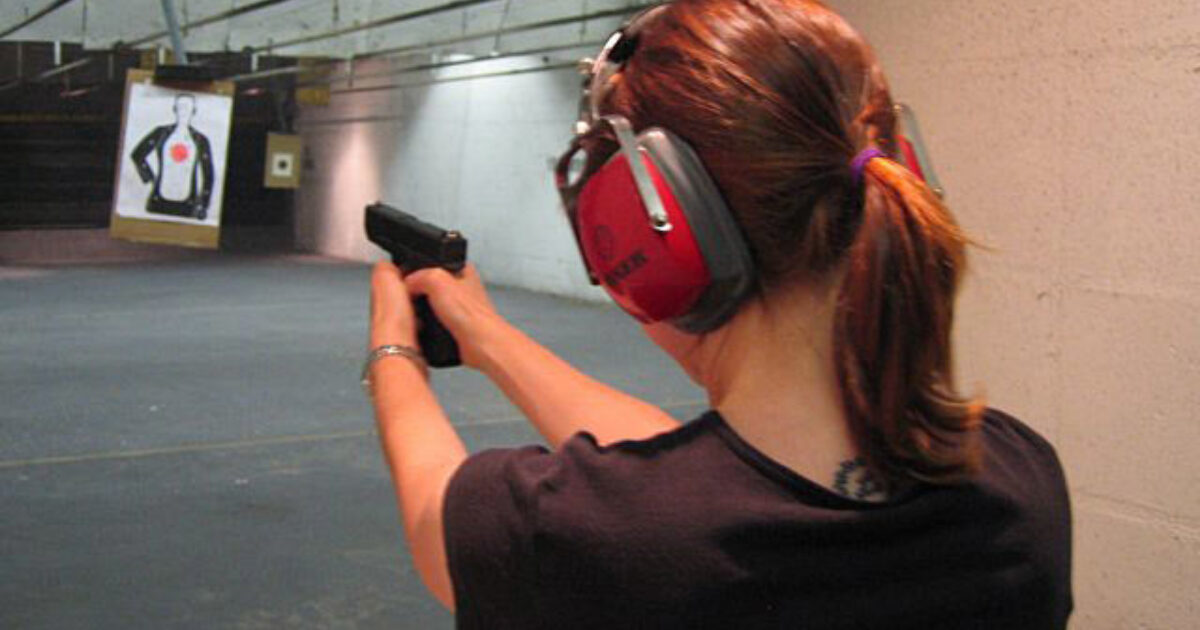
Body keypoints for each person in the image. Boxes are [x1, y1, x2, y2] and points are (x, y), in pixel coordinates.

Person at [363, 1, 1072, 628]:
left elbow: (436, 509)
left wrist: (395, 350)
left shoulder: (577, 539)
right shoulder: (1018, 479)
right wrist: (485, 336)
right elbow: (701, 470)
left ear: (650, 226)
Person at [130, 92, 215, 220]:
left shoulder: (201, 140)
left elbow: (208, 174)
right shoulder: (160, 133)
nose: (184, 111)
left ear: (194, 111)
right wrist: (149, 178)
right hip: (158, 202)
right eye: (180, 107)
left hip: (188, 205)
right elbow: (137, 154)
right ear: (174, 109)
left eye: (188, 107)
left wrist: (204, 204)